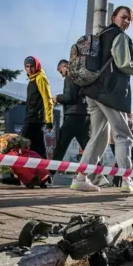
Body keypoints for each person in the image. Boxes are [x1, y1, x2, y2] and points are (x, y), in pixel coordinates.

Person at [70, 5, 133, 193]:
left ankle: (80, 177)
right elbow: (123, 63)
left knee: (98, 137)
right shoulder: (120, 36)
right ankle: (127, 180)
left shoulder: (102, 35)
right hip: (109, 93)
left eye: (130, 19)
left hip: (93, 92)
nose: (127, 21)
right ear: (113, 17)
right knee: (124, 135)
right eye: (124, 17)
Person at [50, 59, 110, 187]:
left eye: (61, 71)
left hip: (72, 116)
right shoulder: (81, 77)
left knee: (60, 146)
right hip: (84, 116)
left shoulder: (70, 77)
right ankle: (99, 176)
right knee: (88, 147)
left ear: (65, 67)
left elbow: (69, 97)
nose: (62, 75)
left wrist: (57, 98)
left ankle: (49, 175)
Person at [22, 56, 53, 159]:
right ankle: (45, 173)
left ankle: (17, 172)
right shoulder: (32, 79)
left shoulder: (40, 78)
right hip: (32, 117)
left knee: (20, 142)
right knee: (38, 148)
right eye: (27, 66)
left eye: (32, 66)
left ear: (36, 66)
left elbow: (47, 100)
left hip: (35, 118)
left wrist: (49, 121)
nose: (29, 69)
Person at [110, 112, 133, 187]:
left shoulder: (130, 113)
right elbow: (126, 124)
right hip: (118, 140)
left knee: (120, 161)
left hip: (120, 140)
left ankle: (119, 181)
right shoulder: (123, 110)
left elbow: (130, 125)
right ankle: (122, 181)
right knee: (121, 160)